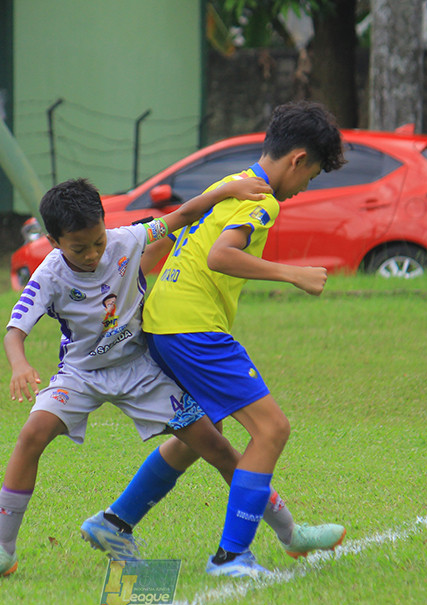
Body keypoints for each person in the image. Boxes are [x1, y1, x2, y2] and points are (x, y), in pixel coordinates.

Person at [0, 175, 271, 580]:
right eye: (79, 248)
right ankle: (2, 552)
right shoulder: (49, 275)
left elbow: (182, 215)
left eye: (97, 242)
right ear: (53, 241)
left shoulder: (125, 239)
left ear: (106, 225)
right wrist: (19, 364)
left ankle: (289, 532)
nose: (92, 254)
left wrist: (226, 191)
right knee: (31, 436)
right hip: (81, 374)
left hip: (140, 370)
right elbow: (14, 332)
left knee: (217, 445)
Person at [141, 101, 348, 578]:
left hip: (163, 320)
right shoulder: (262, 200)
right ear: (297, 159)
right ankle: (231, 556)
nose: (305, 188)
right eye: (311, 176)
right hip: (191, 327)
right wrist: (292, 274)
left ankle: (115, 520)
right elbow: (220, 256)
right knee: (272, 429)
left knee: (198, 437)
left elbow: (172, 241)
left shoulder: (228, 183)